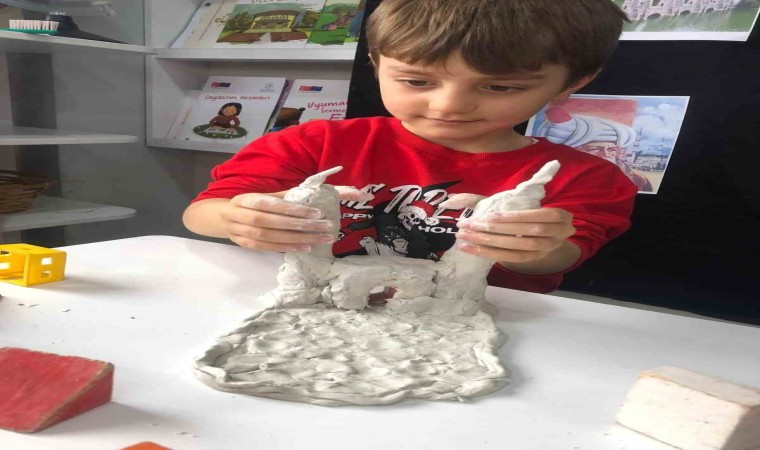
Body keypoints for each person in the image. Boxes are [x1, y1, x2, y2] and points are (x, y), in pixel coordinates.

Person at [183, 0, 638, 294]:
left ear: (573, 82)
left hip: (472, 321)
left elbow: (561, 257)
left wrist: (536, 246)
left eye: (500, 87)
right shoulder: (313, 142)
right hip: (313, 302)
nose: (449, 105)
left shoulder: (586, 178)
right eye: (416, 81)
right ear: (377, 64)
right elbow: (202, 213)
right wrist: (237, 217)